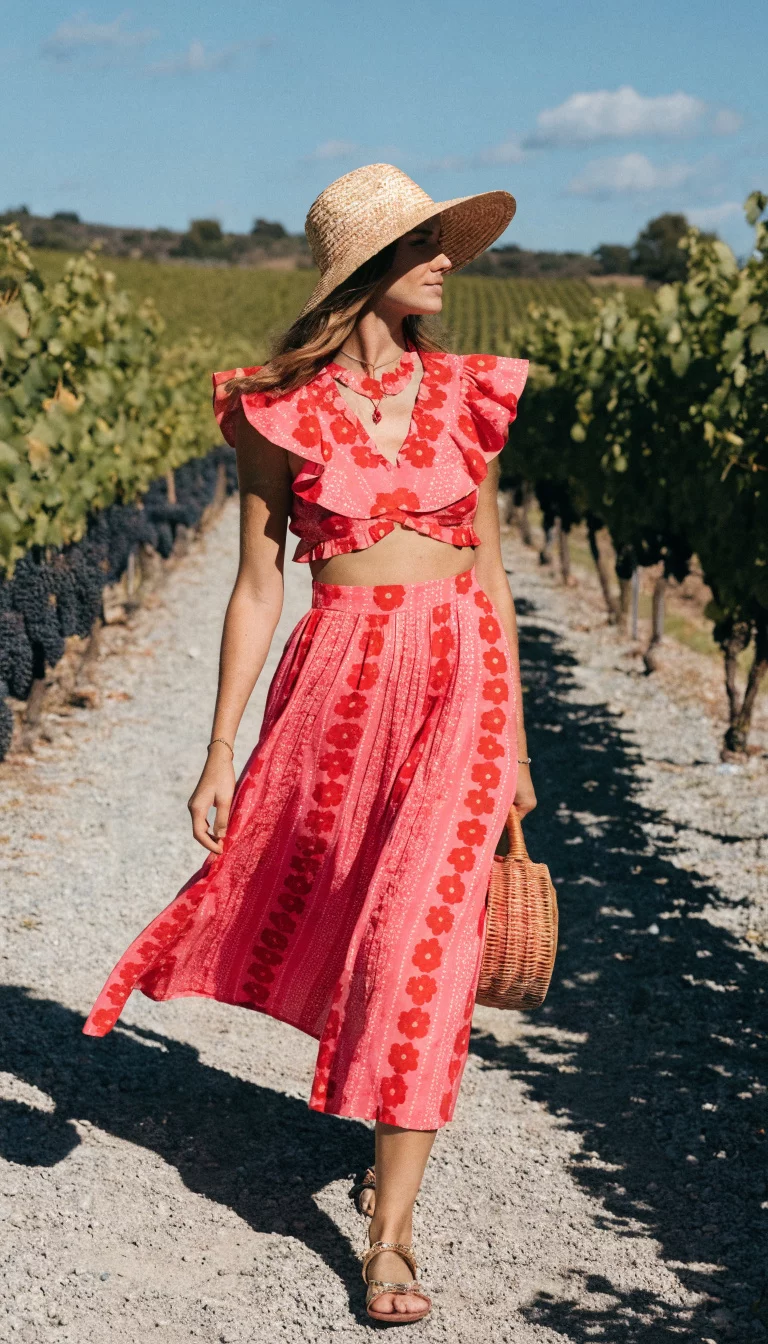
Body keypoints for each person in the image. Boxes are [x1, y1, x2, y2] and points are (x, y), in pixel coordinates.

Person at [83, 163, 536, 1325]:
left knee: (416, 945)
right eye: (425, 245)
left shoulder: (469, 392)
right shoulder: (276, 413)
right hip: (337, 677)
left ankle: (390, 1240)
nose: (447, 262)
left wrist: (520, 741)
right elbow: (252, 589)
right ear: (371, 269)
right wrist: (221, 747)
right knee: (343, 907)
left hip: (459, 682)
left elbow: (490, 573)